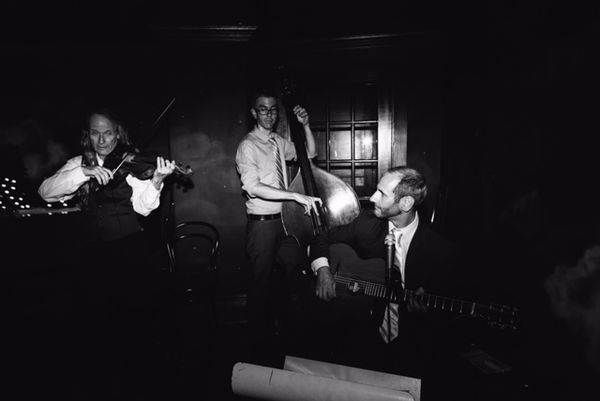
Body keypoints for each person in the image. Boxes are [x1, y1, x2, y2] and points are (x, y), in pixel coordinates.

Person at [38, 108, 176, 400]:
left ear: (117, 133)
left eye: (108, 133)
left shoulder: (130, 162)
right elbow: (46, 192)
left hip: (129, 251)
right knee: (98, 327)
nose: (101, 140)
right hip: (93, 256)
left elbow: (143, 208)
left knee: (134, 325)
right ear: (87, 135)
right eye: (95, 133)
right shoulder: (78, 163)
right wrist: (84, 173)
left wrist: (156, 181)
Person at [306, 166, 461, 399]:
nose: (372, 198)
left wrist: (426, 311)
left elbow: (448, 313)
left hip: (413, 342)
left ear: (406, 203)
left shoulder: (441, 249)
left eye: (382, 193)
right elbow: (322, 237)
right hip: (365, 331)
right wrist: (323, 270)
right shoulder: (366, 224)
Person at [235, 89, 322, 359]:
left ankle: (289, 341)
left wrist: (305, 125)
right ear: (254, 113)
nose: (269, 114)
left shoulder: (278, 141)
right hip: (262, 225)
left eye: (273, 109)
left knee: (293, 279)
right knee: (259, 288)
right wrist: (293, 195)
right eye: (263, 109)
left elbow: (310, 153)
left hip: (285, 223)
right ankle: (256, 351)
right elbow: (252, 187)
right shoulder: (248, 145)